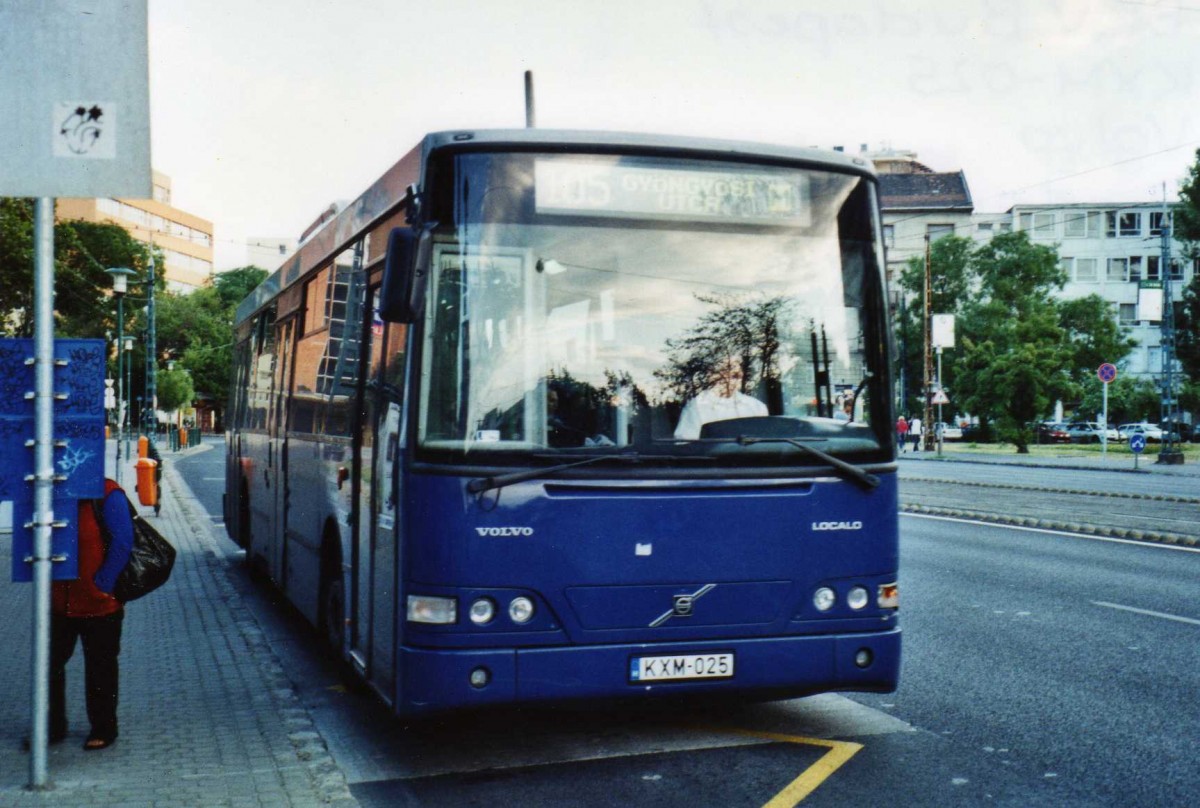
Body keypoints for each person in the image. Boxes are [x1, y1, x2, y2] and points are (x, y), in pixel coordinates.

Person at [47, 478, 134, 751]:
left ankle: (103, 728)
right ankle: (50, 726)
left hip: (99, 604)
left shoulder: (107, 493)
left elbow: (123, 542)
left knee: (100, 667)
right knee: (48, 665)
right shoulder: (50, 491)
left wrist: (103, 585)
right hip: (60, 603)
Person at [673, 357, 768, 439]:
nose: (729, 379)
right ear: (711, 376)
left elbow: (766, 445)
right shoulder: (696, 407)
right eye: (723, 372)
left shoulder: (756, 407)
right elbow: (686, 445)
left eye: (735, 375)